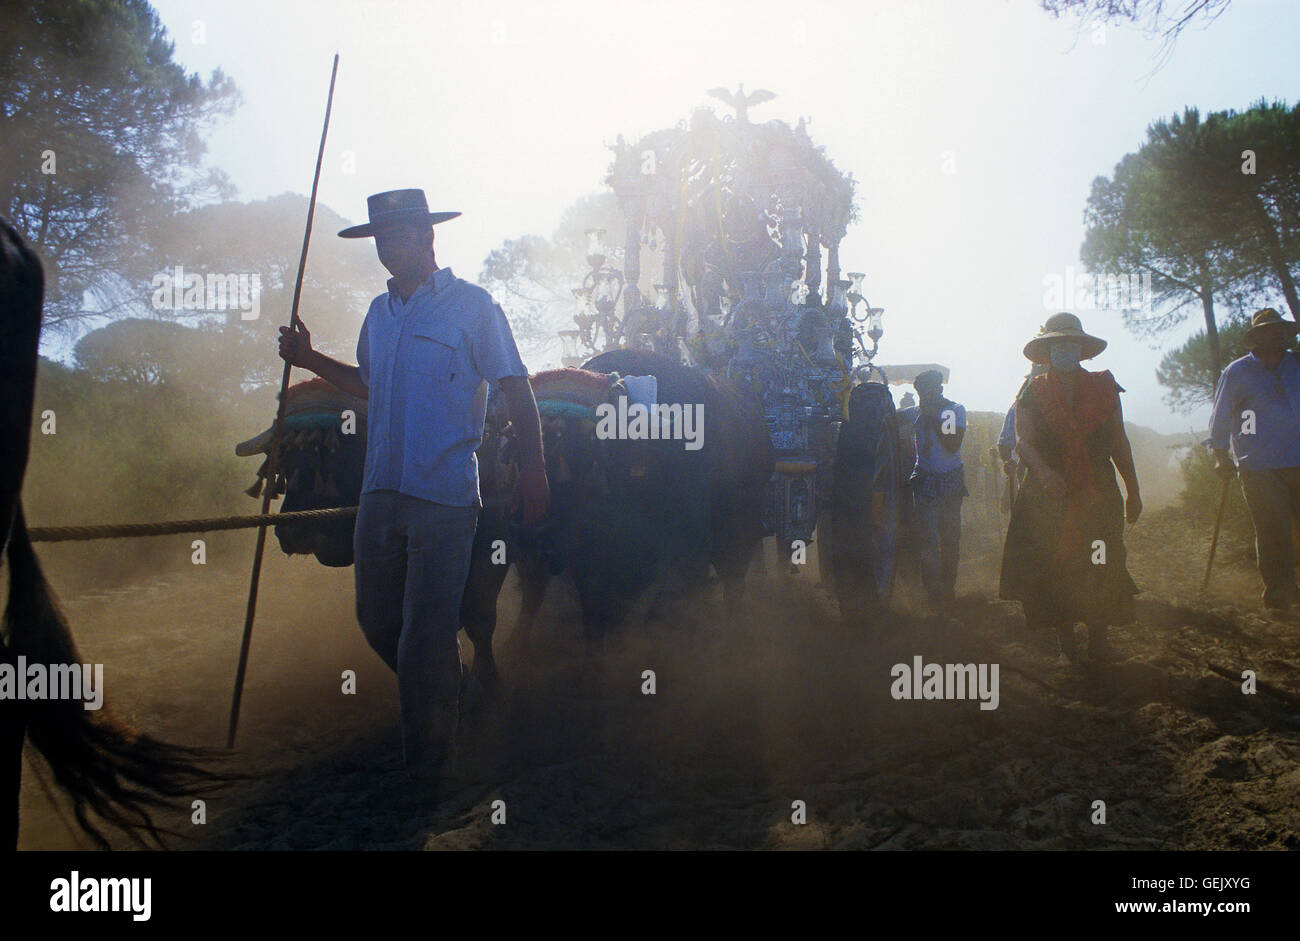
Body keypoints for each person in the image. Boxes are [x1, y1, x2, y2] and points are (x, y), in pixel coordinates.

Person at [278, 189, 549, 780]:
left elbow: (517, 388)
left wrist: (534, 471)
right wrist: (308, 358)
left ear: (428, 238)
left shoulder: (473, 307)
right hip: (379, 493)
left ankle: (427, 772)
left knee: (424, 635)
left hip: (445, 496)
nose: (387, 246)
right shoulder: (379, 315)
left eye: (398, 234)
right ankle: (452, 692)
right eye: (380, 237)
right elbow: (368, 384)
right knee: (378, 622)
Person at [999, 313, 1141, 664]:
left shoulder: (1106, 387)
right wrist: (1045, 473)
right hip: (1047, 494)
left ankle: (1099, 641)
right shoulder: (1031, 392)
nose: (1065, 350)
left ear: (1081, 349)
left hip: (1097, 490)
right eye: (1057, 345)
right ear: (1047, 351)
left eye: (1070, 344)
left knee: (1099, 558)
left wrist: (1133, 490)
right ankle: (1067, 646)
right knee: (1053, 564)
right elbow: (1023, 441)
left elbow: (1117, 441)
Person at [1206, 307, 1300, 614]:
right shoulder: (1237, 372)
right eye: (1272, 330)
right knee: (1272, 529)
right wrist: (1220, 455)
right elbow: (1220, 417)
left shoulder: (1297, 364)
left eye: (1282, 330)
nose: (1279, 335)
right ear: (1257, 338)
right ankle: (1280, 593)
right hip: (1258, 464)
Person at [898, 369, 966, 606]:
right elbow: (891, 419)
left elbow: (951, 444)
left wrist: (932, 417)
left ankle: (948, 588)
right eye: (921, 395)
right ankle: (933, 592)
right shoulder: (915, 413)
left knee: (949, 538)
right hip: (925, 479)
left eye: (929, 393)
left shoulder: (953, 411)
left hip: (950, 480)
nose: (924, 398)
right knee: (928, 540)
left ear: (939, 391)